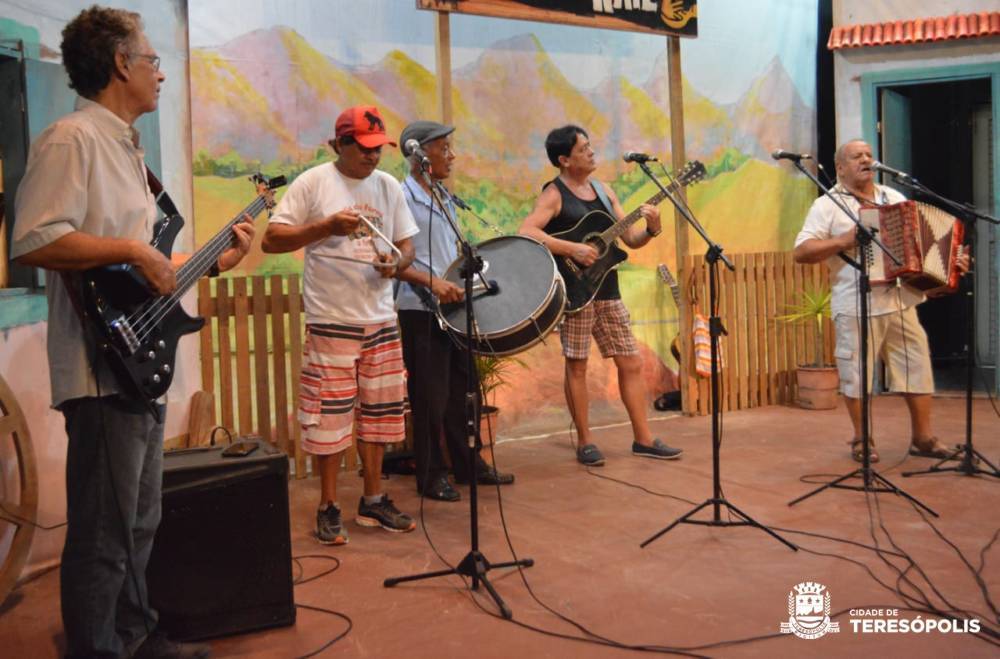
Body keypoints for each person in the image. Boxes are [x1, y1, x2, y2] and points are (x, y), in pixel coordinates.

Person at [11, 7, 253, 658]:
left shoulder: (127, 150)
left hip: (136, 362)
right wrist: (134, 251)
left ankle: (137, 637)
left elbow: (141, 267)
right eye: (152, 60)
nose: (160, 74)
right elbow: (35, 237)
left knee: (139, 519)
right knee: (103, 533)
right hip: (100, 369)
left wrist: (213, 259)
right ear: (121, 64)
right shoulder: (72, 139)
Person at [262, 105, 418, 545]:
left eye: (378, 148)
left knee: (381, 415)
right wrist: (326, 226)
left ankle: (373, 499)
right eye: (364, 148)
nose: (373, 157)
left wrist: (395, 263)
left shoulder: (388, 186)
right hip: (332, 318)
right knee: (328, 418)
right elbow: (272, 239)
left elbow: (405, 245)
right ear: (339, 145)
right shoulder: (314, 182)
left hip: (381, 319)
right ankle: (328, 503)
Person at [793, 139, 969, 462]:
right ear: (840, 168)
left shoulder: (894, 198)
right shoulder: (828, 205)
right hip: (856, 302)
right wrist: (845, 240)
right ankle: (862, 440)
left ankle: (923, 438)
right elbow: (801, 252)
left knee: (917, 366)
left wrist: (947, 267)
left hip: (901, 301)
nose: (865, 159)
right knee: (856, 374)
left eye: (869, 155)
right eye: (856, 156)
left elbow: (918, 249)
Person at [519, 125, 683, 466]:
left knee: (630, 361)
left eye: (591, 146)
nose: (591, 152)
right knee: (577, 366)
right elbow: (527, 232)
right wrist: (573, 249)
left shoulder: (604, 191)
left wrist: (652, 228)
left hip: (608, 289)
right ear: (564, 160)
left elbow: (632, 239)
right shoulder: (554, 193)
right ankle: (585, 441)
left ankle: (644, 438)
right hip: (576, 292)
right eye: (583, 148)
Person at [394, 120, 514, 502]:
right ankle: (431, 475)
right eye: (443, 148)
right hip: (420, 308)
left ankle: (467, 464)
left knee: (464, 390)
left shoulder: (446, 197)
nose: (452, 155)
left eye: (450, 147)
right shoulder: (401, 197)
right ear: (419, 153)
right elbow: (396, 260)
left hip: (457, 306)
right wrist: (432, 283)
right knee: (429, 394)